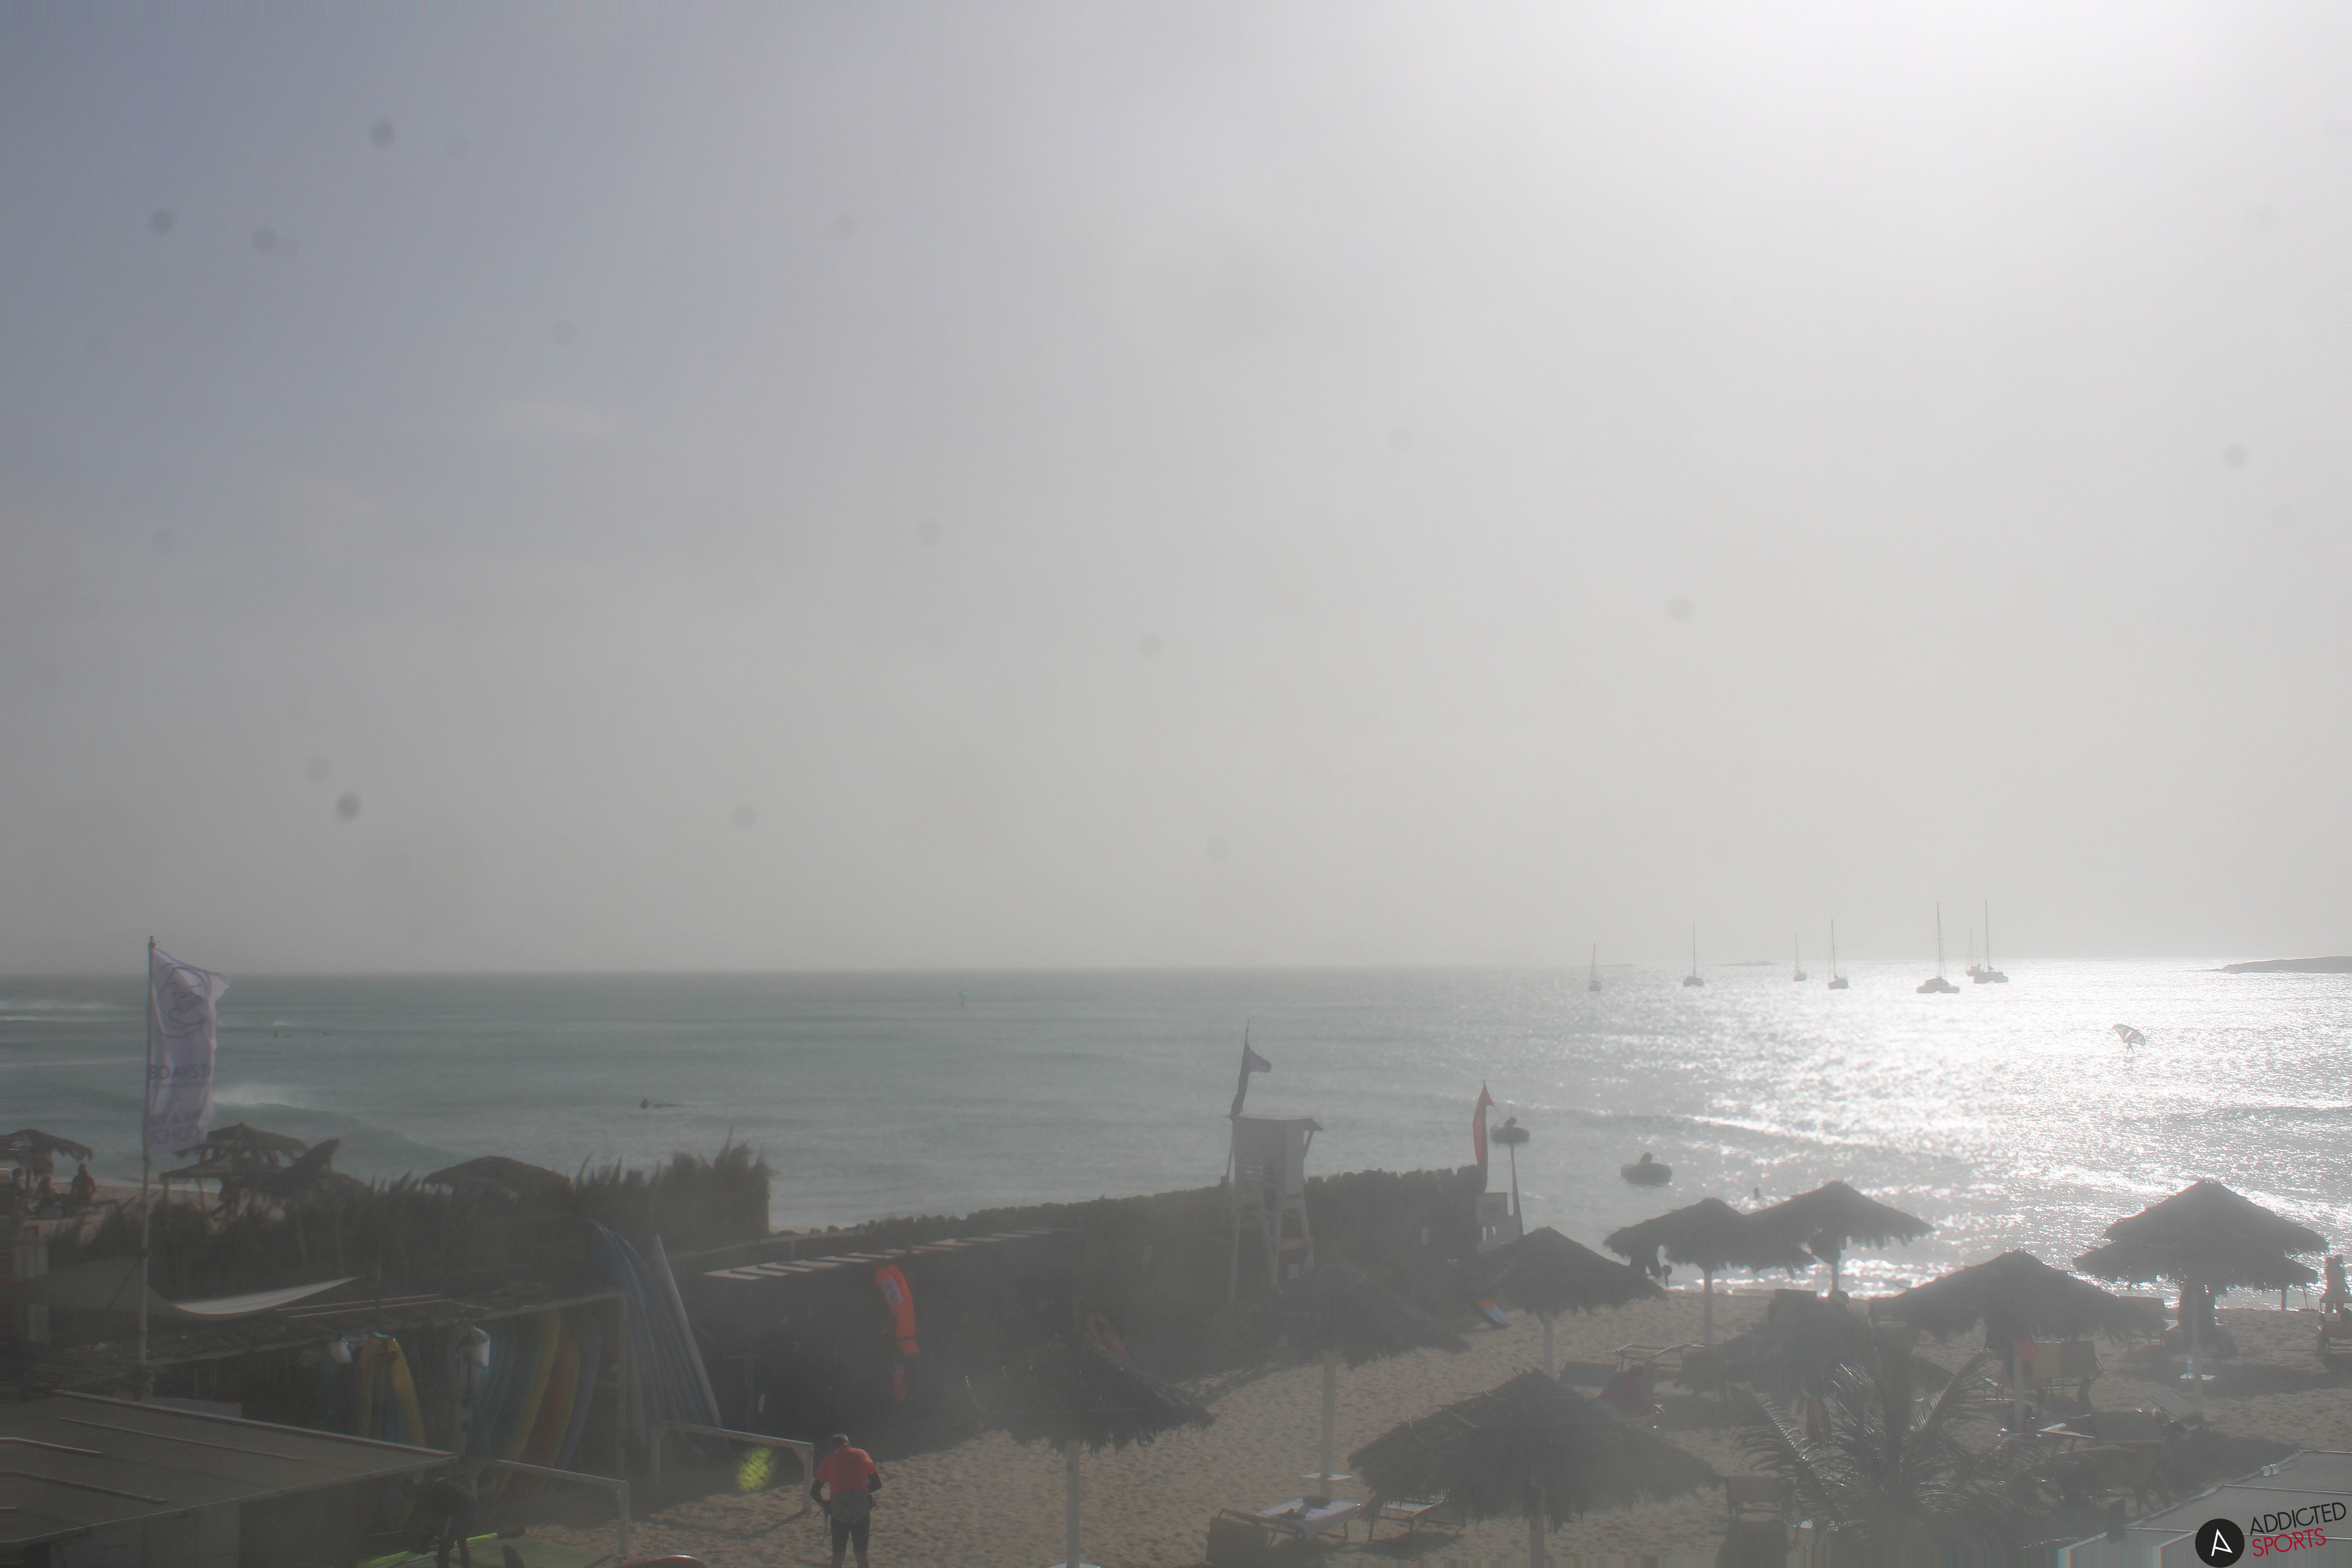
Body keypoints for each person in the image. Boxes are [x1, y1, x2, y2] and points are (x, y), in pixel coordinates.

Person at [810, 1432, 883, 1568]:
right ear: (848, 1444)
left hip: (839, 1512)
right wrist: (861, 1492)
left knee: (838, 1557)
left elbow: (814, 1492)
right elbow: (877, 1484)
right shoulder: (862, 1454)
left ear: (833, 1447)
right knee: (861, 1556)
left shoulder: (830, 1459)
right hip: (861, 1510)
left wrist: (826, 1505)